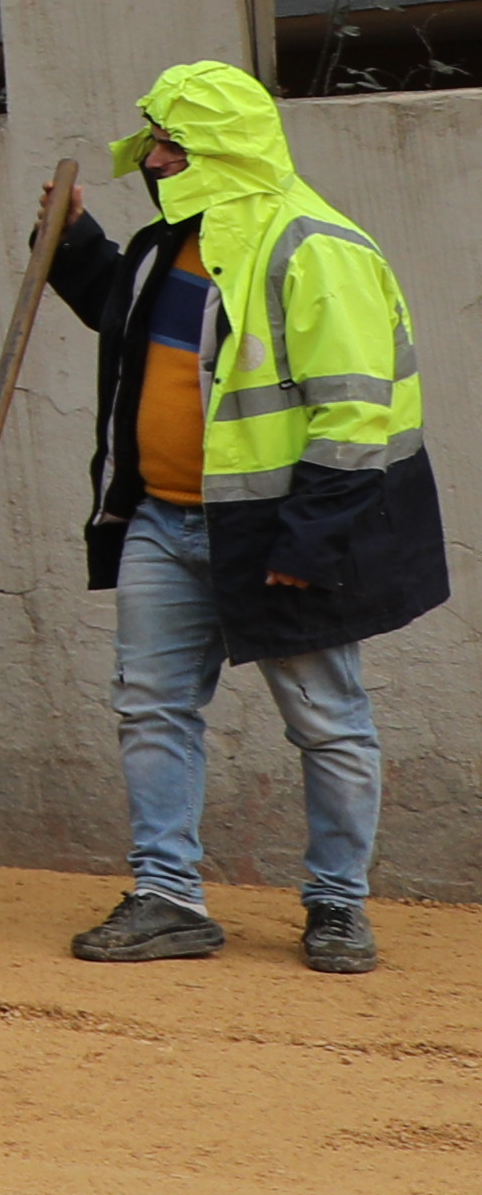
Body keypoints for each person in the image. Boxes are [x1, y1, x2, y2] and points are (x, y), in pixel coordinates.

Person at [43, 60, 432, 972]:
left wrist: (309, 540)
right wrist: (71, 245)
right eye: (154, 144)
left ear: (219, 148)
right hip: (163, 523)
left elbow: (354, 412)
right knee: (153, 708)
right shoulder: (166, 242)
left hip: (272, 533)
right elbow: (131, 321)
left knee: (327, 721)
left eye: (170, 145)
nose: (154, 159)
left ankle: (338, 905)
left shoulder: (315, 248)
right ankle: (168, 897)